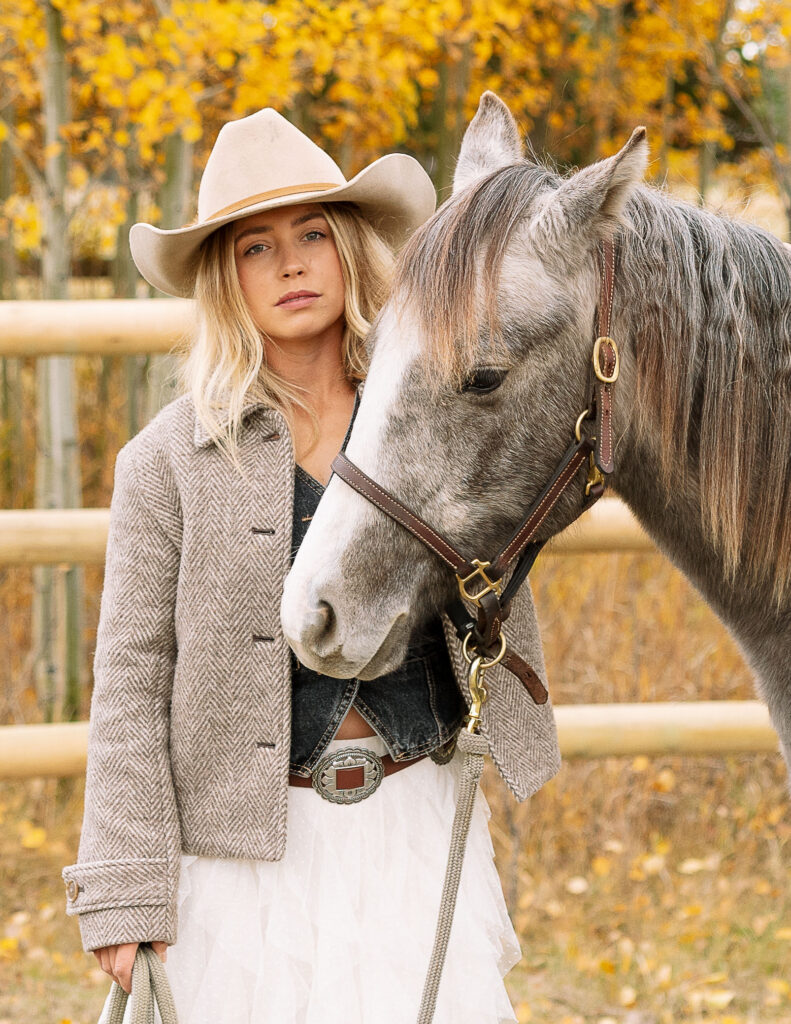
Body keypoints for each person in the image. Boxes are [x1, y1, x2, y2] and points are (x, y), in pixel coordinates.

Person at [61, 107, 561, 1024]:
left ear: (348, 250)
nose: (289, 264)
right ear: (226, 279)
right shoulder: (167, 463)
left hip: (408, 817)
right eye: (255, 248)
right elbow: (130, 683)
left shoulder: (438, 412)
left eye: (311, 236)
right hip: (242, 860)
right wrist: (123, 885)